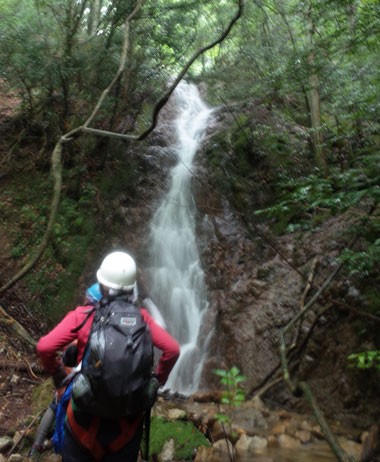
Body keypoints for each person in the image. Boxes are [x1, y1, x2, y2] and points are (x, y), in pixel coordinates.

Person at [36, 251, 180, 462]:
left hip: (83, 425)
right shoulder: (143, 320)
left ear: (101, 286)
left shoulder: (84, 317)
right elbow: (173, 350)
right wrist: (157, 380)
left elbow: (44, 347)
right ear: (132, 289)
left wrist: (60, 377)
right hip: (126, 430)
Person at [29, 283, 103, 457]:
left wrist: (60, 377)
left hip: (74, 375)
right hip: (91, 379)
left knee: (55, 405)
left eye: (87, 298)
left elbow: (50, 348)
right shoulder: (106, 324)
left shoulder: (79, 320)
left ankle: (38, 446)